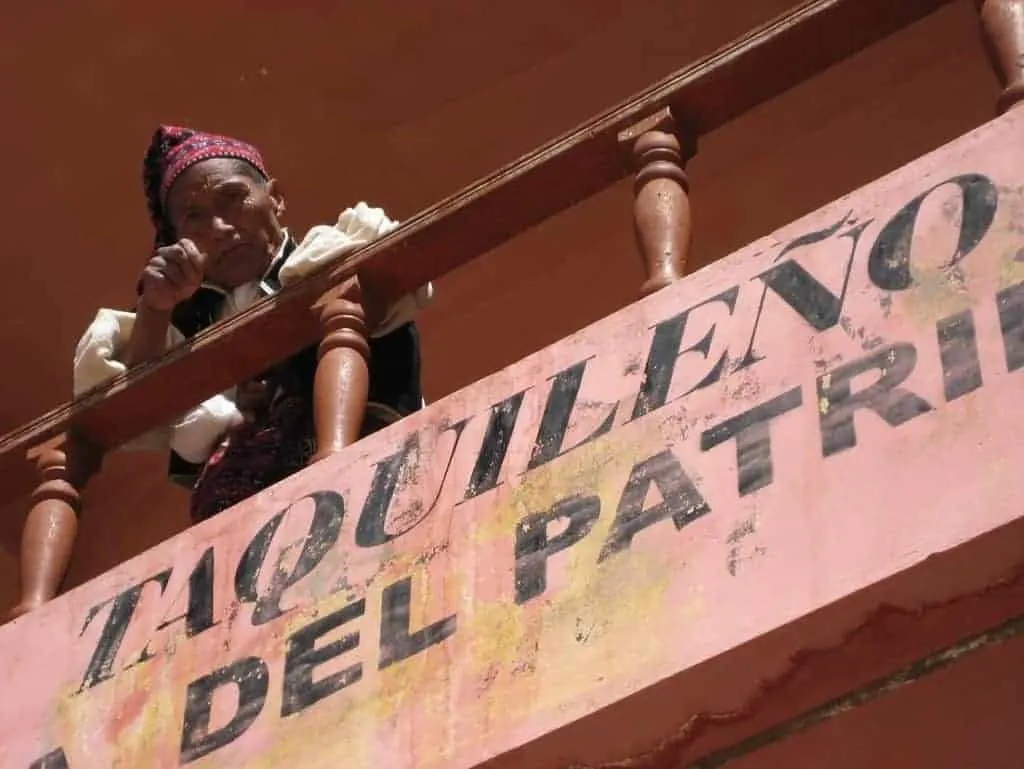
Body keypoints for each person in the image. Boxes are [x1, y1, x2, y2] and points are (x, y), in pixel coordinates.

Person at [79, 125, 433, 521]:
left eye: (232, 198)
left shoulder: (330, 252)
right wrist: (155, 308)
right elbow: (136, 413)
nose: (219, 228)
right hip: (242, 533)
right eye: (194, 218)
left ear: (276, 198)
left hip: (373, 487)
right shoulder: (188, 322)